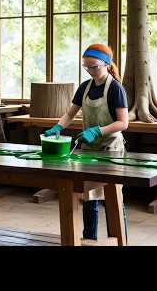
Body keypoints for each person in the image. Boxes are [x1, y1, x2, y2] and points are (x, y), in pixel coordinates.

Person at [44, 44, 129, 241]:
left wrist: (98, 130)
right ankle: (88, 240)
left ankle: (119, 238)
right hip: (89, 148)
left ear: (107, 65)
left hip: (111, 149)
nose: (90, 71)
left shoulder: (116, 88)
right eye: (86, 67)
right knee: (89, 197)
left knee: (112, 197)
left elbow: (123, 123)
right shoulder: (85, 87)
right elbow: (70, 114)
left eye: (94, 66)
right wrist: (58, 127)